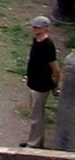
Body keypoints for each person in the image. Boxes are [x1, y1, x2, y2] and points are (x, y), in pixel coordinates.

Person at [23, 17, 60, 149]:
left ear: (45, 28)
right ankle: (33, 140)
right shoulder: (36, 41)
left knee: (36, 116)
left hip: (41, 85)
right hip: (33, 82)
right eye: (34, 27)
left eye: (37, 27)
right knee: (34, 113)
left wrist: (55, 86)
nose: (34, 29)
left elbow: (56, 69)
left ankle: (34, 144)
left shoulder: (48, 45)